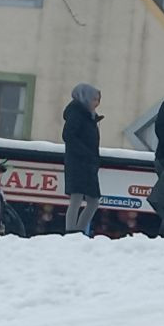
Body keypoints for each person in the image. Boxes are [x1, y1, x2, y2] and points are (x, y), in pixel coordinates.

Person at [62, 83, 102, 236]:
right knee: (77, 198)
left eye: (98, 100)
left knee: (93, 201)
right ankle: (72, 231)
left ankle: (77, 231)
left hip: (88, 163)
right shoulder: (77, 114)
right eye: (94, 99)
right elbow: (68, 136)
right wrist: (86, 153)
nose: (96, 103)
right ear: (85, 98)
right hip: (78, 163)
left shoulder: (89, 116)